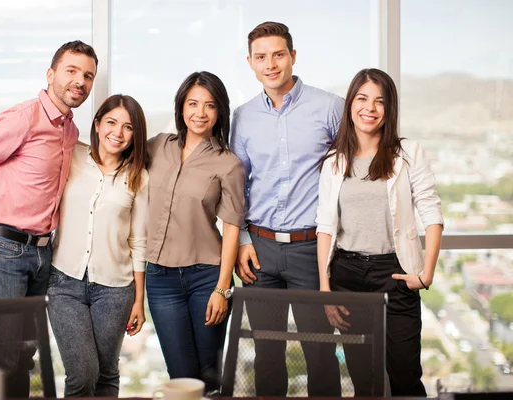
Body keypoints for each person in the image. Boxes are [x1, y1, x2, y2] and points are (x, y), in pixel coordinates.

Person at [0, 41, 98, 398]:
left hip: (42, 253)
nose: (80, 81)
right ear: (51, 75)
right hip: (4, 250)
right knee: (3, 352)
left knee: (26, 351)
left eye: (88, 76)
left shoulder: (70, 131)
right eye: (72, 71)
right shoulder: (24, 118)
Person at [230, 21, 344, 396]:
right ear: (250, 62)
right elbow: (237, 187)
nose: (271, 64)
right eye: (261, 57)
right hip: (259, 251)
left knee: (320, 353)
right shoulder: (243, 117)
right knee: (266, 353)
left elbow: (353, 172)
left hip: (310, 250)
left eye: (278, 54)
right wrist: (243, 239)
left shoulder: (329, 108)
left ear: (293, 56)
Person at [316, 68, 443, 396]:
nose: (369, 108)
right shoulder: (334, 161)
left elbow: (431, 212)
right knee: (363, 381)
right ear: (350, 105)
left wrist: (426, 273)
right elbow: (326, 227)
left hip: (395, 272)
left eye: (379, 101)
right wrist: (326, 290)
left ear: (389, 109)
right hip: (347, 275)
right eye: (362, 99)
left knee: (405, 377)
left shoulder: (408, 154)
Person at [146, 71, 245, 392]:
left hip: (207, 277)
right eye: (192, 103)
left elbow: (231, 228)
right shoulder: (158, 147)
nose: (200, 113)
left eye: (209, 105)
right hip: (160, 280)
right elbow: (116, 158)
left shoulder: (229, 164)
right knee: (181, 377)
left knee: (209, 373)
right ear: (181, 106)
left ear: (220, 112)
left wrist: (222, 289)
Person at [47, 94, 148, 397]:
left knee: (106, 373)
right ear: (97, 124)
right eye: (111, 123)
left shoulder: (138, 177)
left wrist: (138, 300)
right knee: (82, 374)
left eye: (128, 127)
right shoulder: (72, 157)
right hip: (64, 283)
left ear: (135, 135)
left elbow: (138, 241)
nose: (117, 133)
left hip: (115, 290)